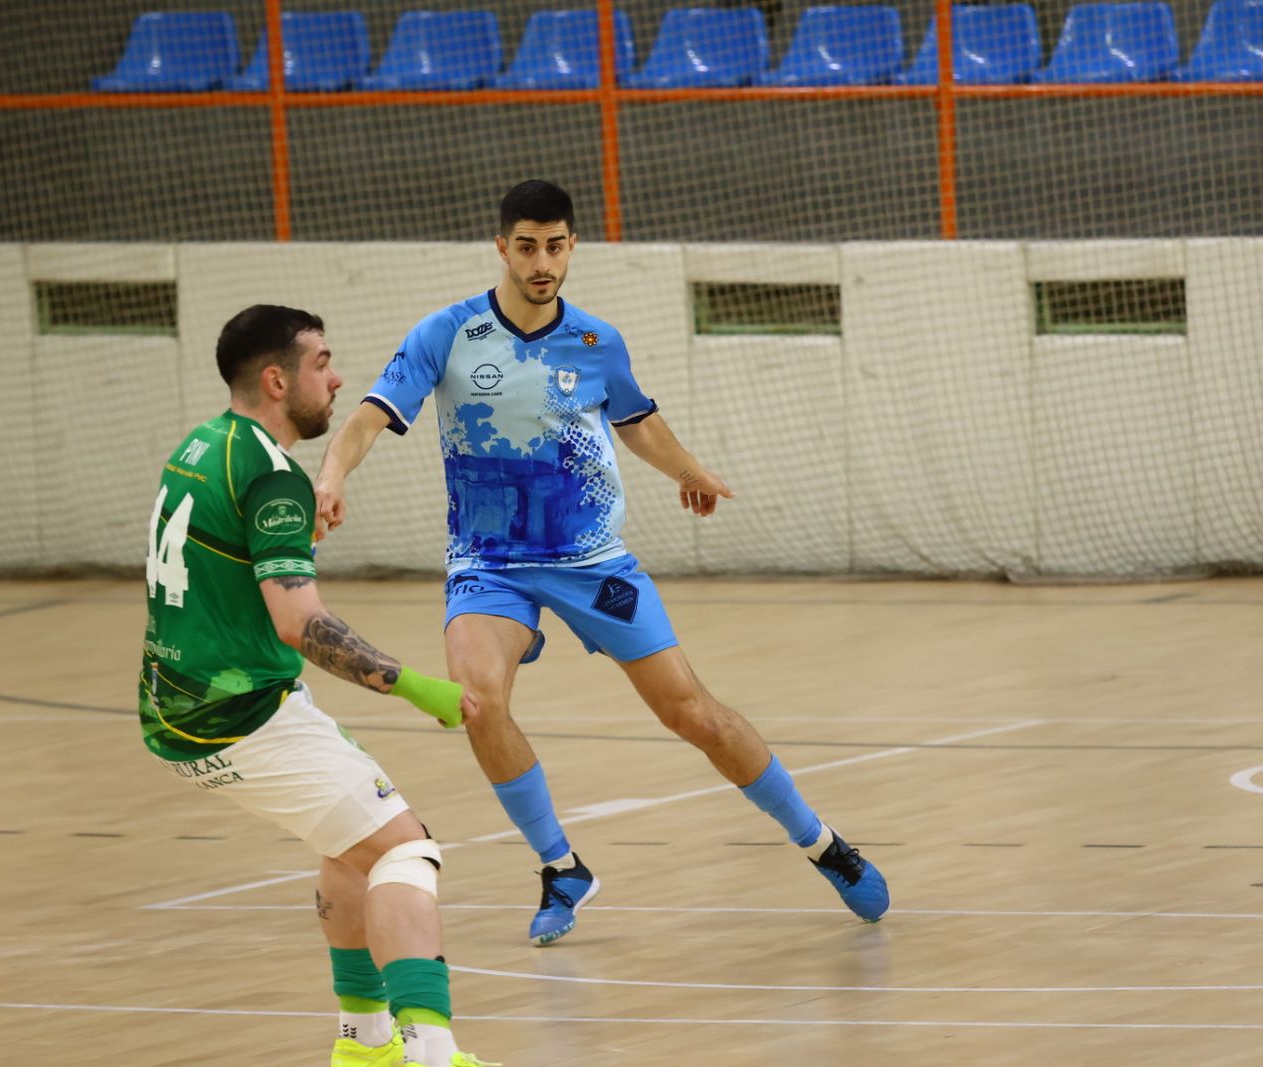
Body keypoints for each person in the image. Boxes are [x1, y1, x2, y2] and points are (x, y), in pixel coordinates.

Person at [314, 180, 889, 947]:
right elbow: (370, 416)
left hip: (594, 562)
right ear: (501, 248)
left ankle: (823, 842)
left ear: (572, 245)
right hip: (490, 564)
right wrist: (332, 473)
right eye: (526, 246)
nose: (541, 261)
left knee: (696, 716)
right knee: (478, 700)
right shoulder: (447, 334)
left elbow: (638, 422)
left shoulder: (595, 341)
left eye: (555, 245)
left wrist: (688, 469)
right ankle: (562, 866)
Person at [139, 305, 497, 1067]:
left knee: (348, 844)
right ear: (277, 378)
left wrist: (283, 535)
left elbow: (224, 558)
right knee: (407, 852)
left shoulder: (202, 445)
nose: (337, 379)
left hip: (180, 705)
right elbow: (301, 625)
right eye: (322, 363)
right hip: (241, 715)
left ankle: (365, 1044)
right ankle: (432, 1053)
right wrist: (414, 686)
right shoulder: (271, 472)